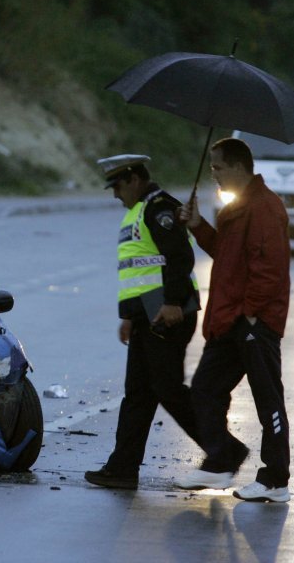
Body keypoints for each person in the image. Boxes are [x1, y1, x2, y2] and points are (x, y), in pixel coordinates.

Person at [175, 137, 291, 502]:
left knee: (268, 401)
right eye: (211, 168)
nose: (214, 175)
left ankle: (275, 481)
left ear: (240, 167)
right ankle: (222, 459)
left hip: (254, 322)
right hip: (230, 320)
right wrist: (197, 225)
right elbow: (227, 257)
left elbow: (269, 271)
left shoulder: (265, 208)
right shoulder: (238, 207)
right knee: (205, 391)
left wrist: (251, 314)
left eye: (218, 167)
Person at [85, 154, 202, 490]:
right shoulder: (140, 210)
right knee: (137, 393)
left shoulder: (158, 207)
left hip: (168, 311)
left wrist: (173, 302)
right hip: (148, 314)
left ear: (135, 179)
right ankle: (122, 468)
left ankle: (222, 449)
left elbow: (179, 256)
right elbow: (140, 270)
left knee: (167, 390)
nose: (115, 194)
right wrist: (130, 318)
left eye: (118, 186)